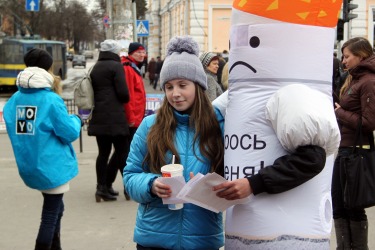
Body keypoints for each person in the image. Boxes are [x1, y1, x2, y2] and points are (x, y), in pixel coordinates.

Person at [123, 35, 225, 249]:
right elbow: (131, 176)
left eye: (182, 85)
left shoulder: (219, 126)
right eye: (169, 87)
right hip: (154, 238)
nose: (175, 94)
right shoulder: (150, 126)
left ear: (198, 86)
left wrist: (209, 187)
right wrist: (151, 185)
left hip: (202, 238)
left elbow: (233, 178)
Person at [3, 48, 82, 250]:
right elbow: (69, 132)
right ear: (48, 69)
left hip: (30, 164)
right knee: (49, 214)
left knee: (57, 208)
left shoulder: (14, 100)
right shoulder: (51, 99)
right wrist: (76, 119)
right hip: (52, 166)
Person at [331, 37, 375, 249]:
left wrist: (340, 112)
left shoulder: (368, 82)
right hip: (344, 150)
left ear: (361, 56)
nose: (344, 61)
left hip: (355, 152)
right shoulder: (354, 79)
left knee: (353, 207)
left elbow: (368, 123)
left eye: (347, 56)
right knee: (339, 207)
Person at [88, 39, 130, 202]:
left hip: (99, 115)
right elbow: (123, 94)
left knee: (103, 154)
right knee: (123, 153)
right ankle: (129, 187)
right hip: (115, 117)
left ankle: (101, 188)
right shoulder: (115, 66)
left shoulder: (96, 67)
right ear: (114, 51)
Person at [107, 42, 146, 200]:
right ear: (131, 53)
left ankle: (106, 183)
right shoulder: (128, 68)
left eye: (144, 52)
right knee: (123, 153)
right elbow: (127, 96)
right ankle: (122, 186)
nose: (142, 55)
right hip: (131, 119)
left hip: (135, 117)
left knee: (120, 153)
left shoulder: (133, 67)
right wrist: (131, 118)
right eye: (139, 52)